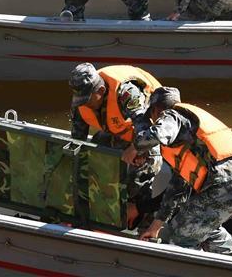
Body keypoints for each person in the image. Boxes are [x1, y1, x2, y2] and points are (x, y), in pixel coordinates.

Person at [128, 87, 232, 256]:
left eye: (152, 116)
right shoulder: (189, 134)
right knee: (202, 226)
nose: (152, 120)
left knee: (179, 235)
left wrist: (135, 147)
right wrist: (156, 225)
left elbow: (159, 133)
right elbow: (177, 189)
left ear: (156, 110)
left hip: (222, 185)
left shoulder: (172, 115)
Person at [69, 63, 162, 227]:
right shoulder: (82, 96)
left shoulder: (127, 93)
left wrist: (134, 149)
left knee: (139, 176)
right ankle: (97, 213)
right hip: (119, 130)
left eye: (87, 100)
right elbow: (78, 138)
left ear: (101, 91)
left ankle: (143, 222)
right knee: (92, 160)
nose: (83, 104)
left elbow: (147, 131)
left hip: (151, 133)